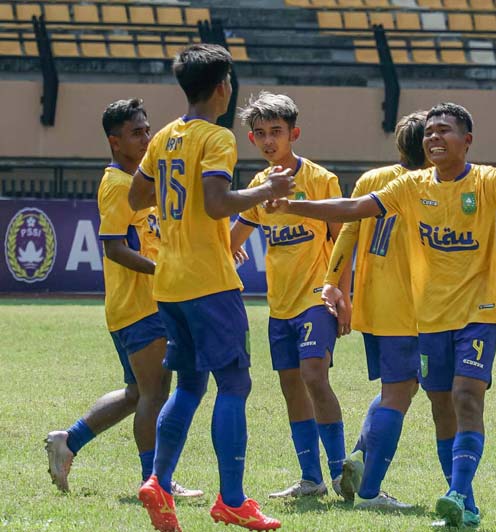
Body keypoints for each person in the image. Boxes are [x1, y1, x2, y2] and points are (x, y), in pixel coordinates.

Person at [264, 102, 496, 527]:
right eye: (430, 132)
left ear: (468, 141)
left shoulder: (488, 179)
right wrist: (292, 206)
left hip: (477, 312)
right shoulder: (409, 186)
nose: (435, 137)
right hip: (427, 317)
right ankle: (465, 505)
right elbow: (352, 212)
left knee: (462, 396)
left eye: (445, 131)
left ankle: (456, 492)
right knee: (439, 404)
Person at [128, 44, 293, 532]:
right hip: (209, 282)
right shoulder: (217, 138)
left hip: (170, 281)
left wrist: (172, 195)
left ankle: (158, 481)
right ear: (224, 86)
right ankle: (233, 500)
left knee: (191, 384)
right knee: (234, 383)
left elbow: (138, 195)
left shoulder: (163, 136)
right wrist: (267, 191)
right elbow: (219, 203)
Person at [45, 99, 201, 499]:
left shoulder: (139, 181)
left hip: (137, 305)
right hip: (139, 306)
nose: (147, 138)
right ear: (115, 142)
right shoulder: (117, 186)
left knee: (136, 393)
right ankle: (156, 483)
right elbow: (113, 247)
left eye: (147, 129)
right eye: (137, 133)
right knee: (154, 393)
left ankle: (69, 440)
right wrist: (161, 272)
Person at [229, 92, 348, 499]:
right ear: (251, 140)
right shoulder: (258, 187)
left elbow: (341, 240)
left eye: (276, 132)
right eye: (259, 133)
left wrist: (342, 292)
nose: (268, 141)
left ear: (293, 133)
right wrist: (226, 247)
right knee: (292, 387)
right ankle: (311, 479)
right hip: (279, 305)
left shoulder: (319, 179)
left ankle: (340, 472)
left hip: (317, 297)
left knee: (315, 376)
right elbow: (234, 237)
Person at [319, 111, 428, 510]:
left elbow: (347, 230)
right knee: (399, 392)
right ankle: (370, 493)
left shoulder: (371, 179)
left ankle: (359, 459)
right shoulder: (427, 187)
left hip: (373, 302)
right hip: (406, 304)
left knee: (399, 387)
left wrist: (335, 284)